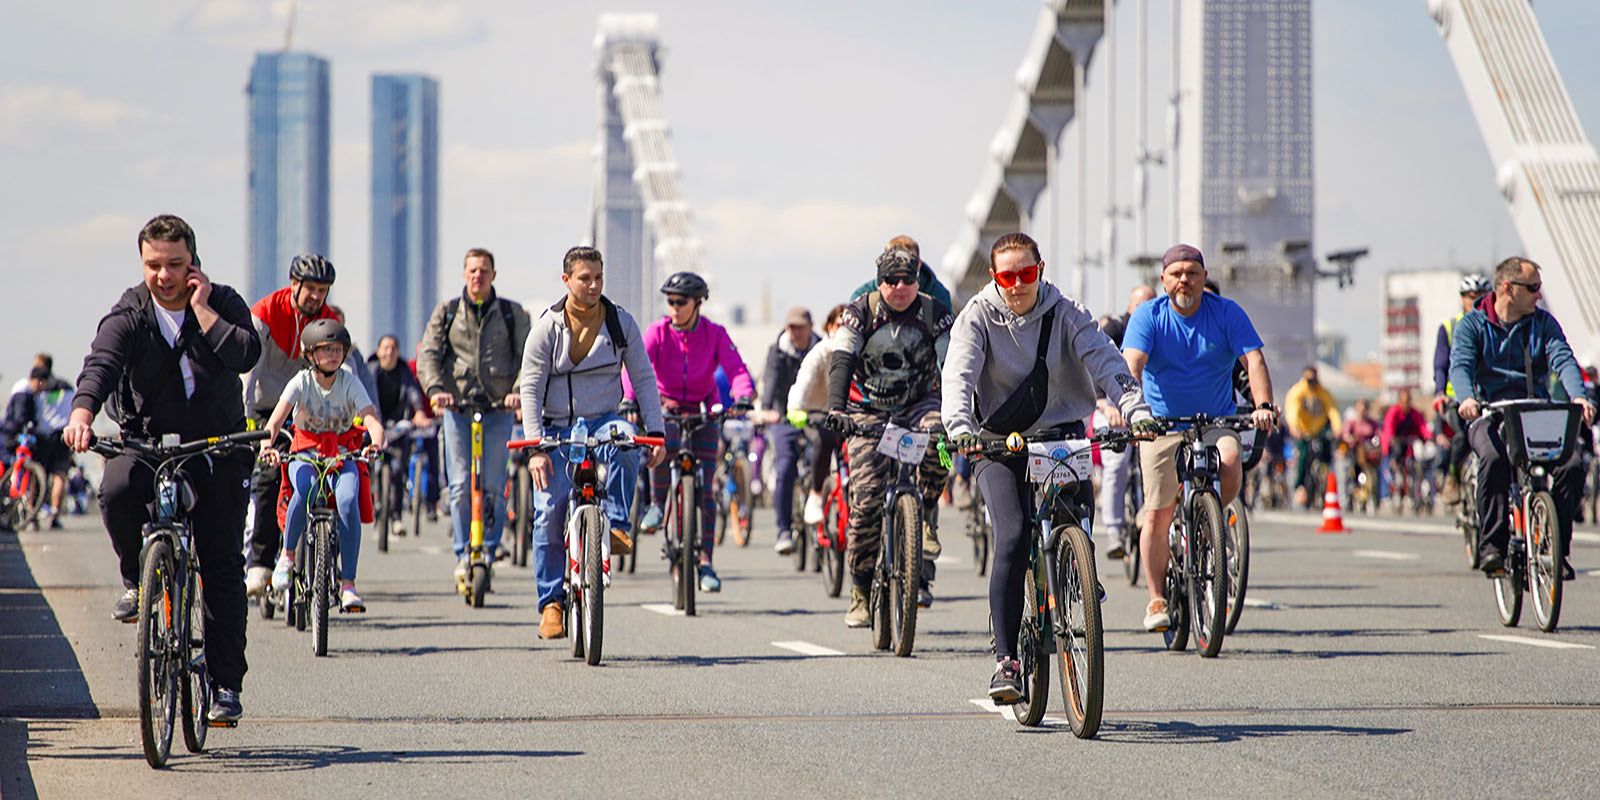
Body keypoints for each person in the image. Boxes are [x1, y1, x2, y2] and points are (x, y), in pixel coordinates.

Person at [63, 214, 261, 724]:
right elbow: (101, 364)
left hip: (215, 445)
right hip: (146, 443)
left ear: (192, 262)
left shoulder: (222, 302)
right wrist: (82, 414)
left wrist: (203, 311)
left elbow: (246, 353)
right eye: (154, 265)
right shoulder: (129, 312)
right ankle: (137, 578)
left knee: (220, 565)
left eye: (175, 264)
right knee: (118, 489)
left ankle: (223, 687)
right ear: (142, 264)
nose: (164, 275)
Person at [942, 232, 1156, 701]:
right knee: (1015, 536)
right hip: (996, 440)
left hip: (1059, 434)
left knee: (1075, 514)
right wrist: (959, 426)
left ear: (1041, 269)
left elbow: (1106, 361)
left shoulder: (1068, 313)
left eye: (1026, 274)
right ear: (994, 277)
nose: (1017, 285)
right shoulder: (976, 315)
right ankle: (1006, 661)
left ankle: (1077, 566)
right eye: (1006, 276)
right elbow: (959, 372)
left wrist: (1134, 408)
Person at [1121, 244, 1278, 632]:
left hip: (1215, 419)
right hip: (1160, 424)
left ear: (1204, 277)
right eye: (1176, 274)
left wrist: (1263, 405)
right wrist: (1130, 411)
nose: (1184, 281)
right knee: (1157, 514)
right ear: (1163, 281)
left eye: (1192, 272)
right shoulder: (1149, 316)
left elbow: (1253, 360)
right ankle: (1156, 597)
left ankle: (1208, 521)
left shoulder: (1226, 313)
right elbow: (1132, 366)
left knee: (1229, 461)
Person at [521, 246, 665, 638]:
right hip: (556, 427)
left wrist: (657, 432)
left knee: (626, 442)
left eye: (598, 277)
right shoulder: (546, 329)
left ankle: (617, 525)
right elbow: (531, 388)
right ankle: (550, 602)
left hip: (604, 420)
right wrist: (535, 447)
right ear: (566, 280)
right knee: (548, 510)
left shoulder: (620, 323)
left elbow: (644, 379)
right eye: (585, 278)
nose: (593, 285)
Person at [820, 246, 954, 623]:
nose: (899, 287)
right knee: (865, 501)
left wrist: (962, 412)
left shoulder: (934, 312)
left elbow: (951, 365)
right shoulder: (859, 311)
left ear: (917, 280)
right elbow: (842, 358)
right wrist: (836, 408)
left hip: (920, 403)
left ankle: (928, 511)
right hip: (867, 410)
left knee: (943, 443)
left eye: (907, 279)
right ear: (879, 281)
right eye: (891, 280)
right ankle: (860, 589)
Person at [1451, 257, 1594, 578]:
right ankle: (1492, 547)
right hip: (1489, 412)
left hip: (1534, 411)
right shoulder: (1471, 325)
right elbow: (1459, 366)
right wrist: (1467, 399)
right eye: (1533, 288)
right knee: (1493, 459)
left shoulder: (1543, 323)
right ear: (1507, 289)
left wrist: (1578, 395)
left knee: (1572, 463)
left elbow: (1563, 358)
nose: (1539, 295)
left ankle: (1556, 547)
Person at [241, 253, 366, 599]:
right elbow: (248, 369)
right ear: (293, 284)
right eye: (310, 288)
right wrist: (247, 415)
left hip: (316, 415)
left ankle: (329, 561)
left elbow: (350, 370)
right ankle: (261, 564)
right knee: (269, 477)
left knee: (331, 480)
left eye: (322, 290)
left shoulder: (328, 321)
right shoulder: (266, 311)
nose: (316, 296)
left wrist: (360, 418)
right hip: (270, 407)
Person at [629, 271, 755, 593]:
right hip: (665, 406)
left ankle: (706, 562)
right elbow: (635, 367)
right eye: (669, 301)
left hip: (702, 409)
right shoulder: (657, 332)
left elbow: (736, 368)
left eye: (680, 302)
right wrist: (629, 399)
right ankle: (657, 504)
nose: (673, 307)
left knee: (706, 491)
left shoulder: (714, 333)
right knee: (662, 446)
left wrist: (743, 396)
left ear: (698, 303)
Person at [418, 248, 532, 582]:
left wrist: (517, 390)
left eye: (483, 270)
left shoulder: (513, 314)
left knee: (495, 486)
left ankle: (489, 548)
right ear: (464, 274)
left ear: (493, 275)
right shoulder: (448, 311)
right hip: (458, 408)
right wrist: (437, 389)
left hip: (498, 408)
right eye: (472, 271)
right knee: (459, 486)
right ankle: (462, 552)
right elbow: (429, 354)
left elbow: (528, 357)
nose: (477, 276)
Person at [259, 320, 383, 612]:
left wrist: (376, 442)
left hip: (342, 454)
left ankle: (349, 584)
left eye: (338, 349)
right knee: (304, 491)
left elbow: (371, 418)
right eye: (326, 350)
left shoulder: (350, 381)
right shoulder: (300, 382)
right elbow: (275, 422)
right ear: (311, 354)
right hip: (305, 451)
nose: (333, 355)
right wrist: (267, 446)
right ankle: (288, 556)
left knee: (348, 500)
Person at [1095, 285, 1157, 558]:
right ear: (1131, 307)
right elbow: (1094, 367)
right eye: (1142, 304)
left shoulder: (1160, 328)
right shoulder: (1114, 330)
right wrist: (1104, 405)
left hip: (1150, 410)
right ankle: (1115, 530)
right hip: (1113, 408)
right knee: (1117, 464)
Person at [761, 306, 821, 555]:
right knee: (785, 466)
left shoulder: (821, 348)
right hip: (784, 416)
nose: (794, 332)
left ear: (810, 327)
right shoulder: (778, 351)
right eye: (790, 327)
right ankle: (783, 530)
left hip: (814, 413)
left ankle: (824, 515)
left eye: (799, 327)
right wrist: (766, 409)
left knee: (824, 457)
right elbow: (771, 381)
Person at [789, 304, 850, 528]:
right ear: (829, 327)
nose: (844, 331)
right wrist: (795, 408)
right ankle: (815, 495)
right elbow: (803, 381)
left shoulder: (863, 350)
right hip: (817, 414)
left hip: (849, 417)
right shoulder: (821, 352)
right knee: (824, 439)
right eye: (839, 325)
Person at [1433, 274, 1492, 504]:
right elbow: (1440, 364)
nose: (1475, 300)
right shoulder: (1450, 327)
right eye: (1470, 296)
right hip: (1455, 398)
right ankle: (1453, 477)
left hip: (1486, 396)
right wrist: (1439, 392)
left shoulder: (1493, 323)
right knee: (1463, 436)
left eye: (1480, 296)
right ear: (1462, 299)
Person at [368, 334, 430, 534]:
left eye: (393, 348)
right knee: (364, 463)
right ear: (378, 352)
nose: (389, 352)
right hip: (374, 422)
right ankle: (369, 500)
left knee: (398, 469)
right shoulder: (371, 370)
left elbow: (413, 392)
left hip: (398, 425)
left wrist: (419, 412)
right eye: (385, 348)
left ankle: (396, 516)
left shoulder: (404, 371)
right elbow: (363, 395)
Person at [8, 355, 75, 528]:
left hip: (42, 436)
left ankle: (32, 517)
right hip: (62, 436)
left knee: (34, 476)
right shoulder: (67, 387)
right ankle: (54, 515)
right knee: (60, 475)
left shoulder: (40, 388)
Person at [1284, 365, 1341, 507]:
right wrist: (1294, 426)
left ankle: (1326, 481)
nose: (1311, 383)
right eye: (1308, 380)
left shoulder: (1323, 393)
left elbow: (1332, 410)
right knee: (1303, 457)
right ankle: (1300, 485)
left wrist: (1337, 427)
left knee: (1327, 455)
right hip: (1304, 432)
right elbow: (1293, 410)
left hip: (1320, 431)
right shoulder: (1298, 392)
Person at [849, 235, 954, 311]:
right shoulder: (862, 298)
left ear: (919, 264)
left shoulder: (939, 296)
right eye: (894, 262)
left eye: (909, 262)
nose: (900, 286)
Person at [1380, 388, 1432, 496]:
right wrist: (1392, 438)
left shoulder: (1414, 413)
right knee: (1398, 449)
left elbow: (1422, 427)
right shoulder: (1394, 412)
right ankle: (1395, 468)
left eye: (1408, 401)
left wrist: (1429, 437)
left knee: (1418, 457)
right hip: (1395, 443)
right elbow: (1389, 428)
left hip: (1409, 442)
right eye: (1404, 401)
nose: (1406, 404)